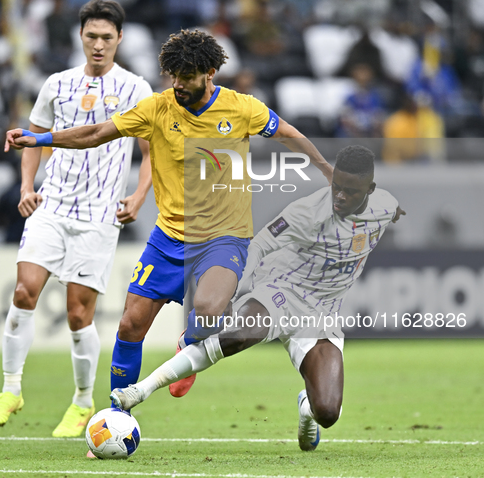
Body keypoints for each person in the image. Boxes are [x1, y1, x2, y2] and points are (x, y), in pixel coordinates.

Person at [4, 29, 333, 404]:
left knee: (209, 313)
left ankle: (188, 345)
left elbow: (288, 134)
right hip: (168, 238)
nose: (178, 84)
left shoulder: (242, 108)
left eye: (187, 76)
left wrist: (326, 169)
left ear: (210, 73)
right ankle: (117, 412)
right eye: (173, 75)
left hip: (224, 237)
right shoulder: (157, 108)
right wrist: (40, 139)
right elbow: (97, 132)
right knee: (129, 325)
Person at [109, 145, 406, 453]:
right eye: (336, 187)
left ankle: (307, 407)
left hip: (322, 316)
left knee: (328, 413)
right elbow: (259, 245)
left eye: (351, 192)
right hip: (282, 292)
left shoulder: (385, 206)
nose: (340, 197)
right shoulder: (306, 212)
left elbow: (392, 209)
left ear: (370, 189)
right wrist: (232, 288)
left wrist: (397, 213)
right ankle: (140, 390)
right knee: (237, 336)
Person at [0, 0, 153, 440]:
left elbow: (151, 152)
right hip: (52, 206)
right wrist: (26, 186)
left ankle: (81, 402)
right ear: (80, 37)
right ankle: (11, 390)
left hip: (99, 215)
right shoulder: (57, 84)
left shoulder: (136, 89)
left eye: (107, 37)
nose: (98, 45)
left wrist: (138, 195)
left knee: (79, 314)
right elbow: (33, 139)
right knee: (24, 291)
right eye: (91, 36)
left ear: (120, 39)